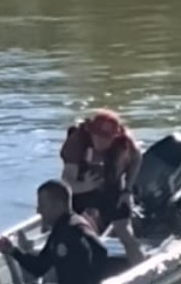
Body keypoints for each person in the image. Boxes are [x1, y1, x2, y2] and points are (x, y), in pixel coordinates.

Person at [60, 109, 144, 264]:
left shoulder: (125, 142)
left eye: (107, 138)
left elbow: (137, 158)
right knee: (64, 233)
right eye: (97, 136)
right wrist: (86, 186)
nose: (101, 141)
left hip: (111, 187)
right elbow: (67, 182)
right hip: (80, 189)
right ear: (90, 132)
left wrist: (128, 190)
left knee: (125, 232)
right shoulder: (77, 142)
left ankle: (142, 269)